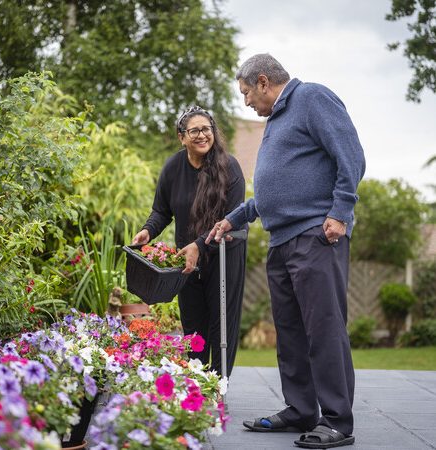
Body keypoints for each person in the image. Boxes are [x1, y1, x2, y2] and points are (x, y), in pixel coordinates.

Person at [206, 54, 366, 448]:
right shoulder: (277, 121)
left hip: (316, 235)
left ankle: (337, 420)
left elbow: (352, 157)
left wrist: (341, 212)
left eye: (246, 93)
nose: (246, 103)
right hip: (281, 241)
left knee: (323, 329)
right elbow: (274, 190)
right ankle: (301, 410)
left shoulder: (311, 98)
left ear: (263, 82)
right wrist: (235, 217)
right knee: (291, 333)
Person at [132, 105, 247, 377]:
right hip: (187, 259)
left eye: (206, 129)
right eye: (194, 130)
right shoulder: (173, 167)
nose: (202, 135)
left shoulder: (230, 168)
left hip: (224, 255)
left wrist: (199, 244)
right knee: (193, 324)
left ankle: (218, 384)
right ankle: (196, 382)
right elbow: (162, 211)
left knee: (221, 324)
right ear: (182, 137)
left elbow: (232, 217)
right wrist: (148, 231)